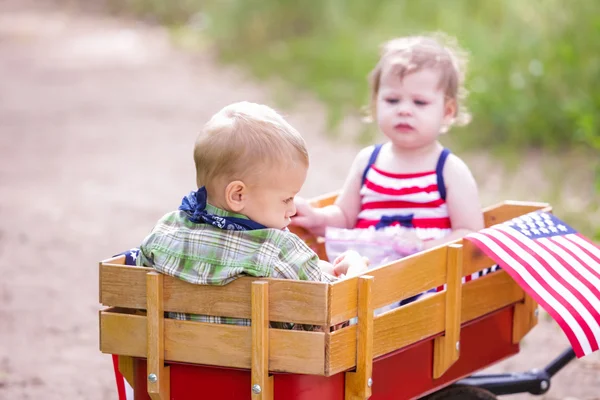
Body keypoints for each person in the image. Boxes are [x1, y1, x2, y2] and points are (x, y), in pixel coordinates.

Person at [135, 101, 368, 327]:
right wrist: (354, 268)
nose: (293, 209)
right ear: (237, 195)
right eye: (286, 199)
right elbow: (333, 312)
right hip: (263, 364)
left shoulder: (166, 231)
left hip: (178, 360)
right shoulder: (278, 249)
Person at [291, 33, 484, 259]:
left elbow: (471, 235)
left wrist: (423, 247)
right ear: (376, 103)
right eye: (392, 100)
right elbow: (345, 216)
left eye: (419, 102)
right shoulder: (368, 162)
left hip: (427, 281)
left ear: (447, 112)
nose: (404, 110)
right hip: (366, 279)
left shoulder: (448, 170)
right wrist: (318, 219)